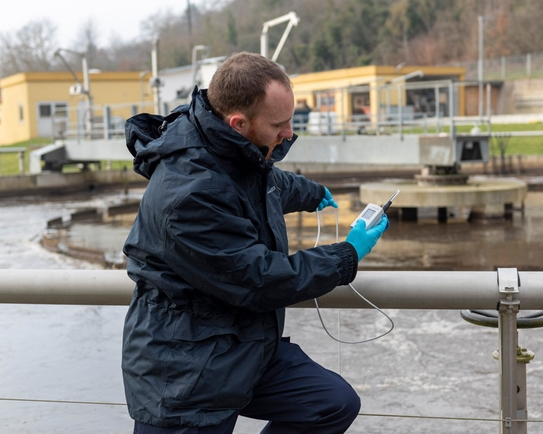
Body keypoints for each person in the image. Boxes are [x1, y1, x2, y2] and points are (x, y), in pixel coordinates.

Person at [121, 51, 389, 434]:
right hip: (186, 370)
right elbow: (260, 278)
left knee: (330, 404)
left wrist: (313, 193)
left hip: (239, 342)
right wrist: (347, 255)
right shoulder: (189, 194)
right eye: (280, 124)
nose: (290, 133)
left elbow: (264, 182)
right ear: (238, 123)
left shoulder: (227, 147)